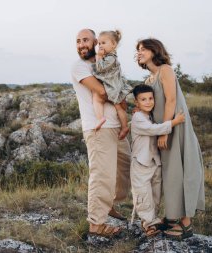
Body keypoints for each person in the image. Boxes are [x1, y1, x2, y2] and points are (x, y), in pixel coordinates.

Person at [136, 38, 205, 240]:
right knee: (169, 174)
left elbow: (172, 100)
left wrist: (166, 131)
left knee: (181, 170)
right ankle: (173, 216)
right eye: (137, 50)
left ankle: (186, 223)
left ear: (154, 50)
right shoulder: (149, 79)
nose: (139, 52)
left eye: (143, 49)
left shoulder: (165, 70)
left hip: (175, 128)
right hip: (162, 129)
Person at [71, 29, 131, 237]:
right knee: (102, 175)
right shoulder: (80, 67)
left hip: (115, 126)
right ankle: (96, 224)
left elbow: (119, 87)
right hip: (98, 128)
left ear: (96, 42)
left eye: (85, 40)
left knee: (126, 169)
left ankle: (109, 204)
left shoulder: (106, 62)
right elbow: (104, 92)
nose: (81, 44)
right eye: (78, 41)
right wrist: (120, 97)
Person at [130, 84, 185, 236]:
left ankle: (151, 219)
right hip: (141, 163)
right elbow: (153, 130)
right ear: (136, 103)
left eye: (150, 98)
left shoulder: (151, 115)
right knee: (143, 193)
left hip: (154, 162)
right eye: (143, 99)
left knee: (155, 193)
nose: (148, 102)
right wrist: (174, 121)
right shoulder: (138, 117)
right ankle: (149, 223)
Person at [92, 30, 131, 140]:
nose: (100, 46)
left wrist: (98, 56)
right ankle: (124, 127)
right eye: (99, 43)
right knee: (119, 108)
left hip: (111, 87)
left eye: (103, 43)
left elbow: (100, 68)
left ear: (114, 44)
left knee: (97, 98)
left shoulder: (110, 58)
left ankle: (100, 118)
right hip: (114, 86)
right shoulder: (111, 57)